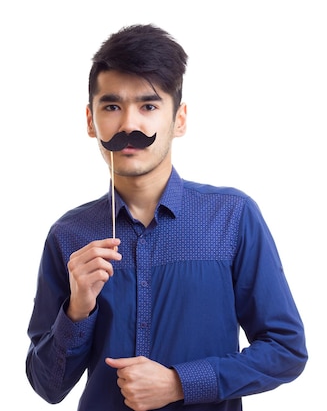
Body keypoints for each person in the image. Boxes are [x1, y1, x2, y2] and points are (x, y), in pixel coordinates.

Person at [26, 24, 307, 411]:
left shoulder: (232, 217)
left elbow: (285, 350)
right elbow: (48, 387)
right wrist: (78, 308)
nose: (129, 125)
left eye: (149, 106)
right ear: (91, 122)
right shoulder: (69, 235)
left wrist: (180, 383)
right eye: (111, 107)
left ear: (179, 119)